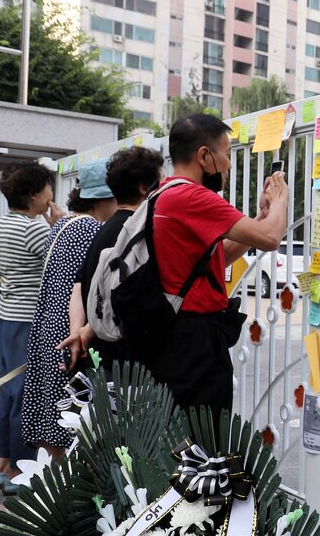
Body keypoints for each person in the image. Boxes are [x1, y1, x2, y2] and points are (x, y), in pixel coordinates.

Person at [62, 114, 287, 417]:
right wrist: (282, 199)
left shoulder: (163, 195)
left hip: (174, 338)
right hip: (194, 342)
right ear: (205, 157)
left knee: (179, 439)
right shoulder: (191, 196)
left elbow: (214, 259)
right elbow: (271, 238)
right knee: (201, 441)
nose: (230, 165)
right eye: (227, 154)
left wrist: (260, 218)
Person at [19, 162, 119, 460]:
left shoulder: (63, 225)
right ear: (106, 198)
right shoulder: (92, 230)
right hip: (71, 331)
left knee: (52, 411)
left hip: (49, 327)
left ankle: (49, 486)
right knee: (71, 412)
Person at [0, 161, 62, 483]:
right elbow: (62, 265)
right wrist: (61, 226)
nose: (53, 192)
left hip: (5, 317)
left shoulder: (1, 225)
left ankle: (6, 459)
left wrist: (3, 283)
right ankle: (22, 469)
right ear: (36, 195)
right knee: (28, 392)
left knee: (10, 390)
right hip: (29, 320)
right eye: (50, 187)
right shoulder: (36, 229)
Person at [70, 145, 164, 368]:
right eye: (159, 183)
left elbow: (81, 285)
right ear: (144, 189)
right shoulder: (135, 234)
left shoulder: (102, 231)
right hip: (127, 363)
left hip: (103, 355)